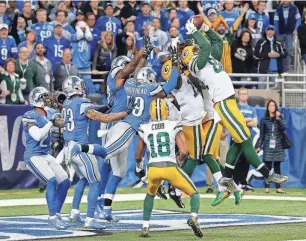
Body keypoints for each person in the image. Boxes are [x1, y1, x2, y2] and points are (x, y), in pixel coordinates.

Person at [181, 18, 288, 194]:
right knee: (245, 139)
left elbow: (216, 42)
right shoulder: (194, 65)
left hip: (229, 101)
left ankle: (227, 177)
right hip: (222, 103)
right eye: (192, 47)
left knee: (240, 140)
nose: (196, 47)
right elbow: (206, 47)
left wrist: (206, 28)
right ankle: (267, 173)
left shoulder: (207, 59)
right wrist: (194, 31)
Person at [68, 42, 155, 222]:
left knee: (119, 170)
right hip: (114, 124)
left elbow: (137, 69)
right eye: (124, 67)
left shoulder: (127, 80)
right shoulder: (116, 77)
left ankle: (106, 207)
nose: (128, 69)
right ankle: (97, 202)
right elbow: (131, 67)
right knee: (105, 163)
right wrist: (139, 52)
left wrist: (145, 53)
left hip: (123, 123)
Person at [62, 76, 133, 230]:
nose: (82, 87)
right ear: (75, 88)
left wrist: (107, 106)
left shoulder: (67, 104)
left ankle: (74, 212)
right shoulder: (82, 103)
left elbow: (90, 113)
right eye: (80, 85)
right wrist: (124, 113)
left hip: (68, 147)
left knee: (82, 179)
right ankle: (89, 219)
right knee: (95, 181)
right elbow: (104, 119)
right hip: (80, 149)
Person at [135, 98, 203, 238]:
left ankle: (145, 226)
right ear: (166, 110)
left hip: (153, 169)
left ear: (151, 112)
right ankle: (193, 217)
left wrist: (139, 166)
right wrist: (179, 161)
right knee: (194, 194)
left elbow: (138, 155)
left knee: (150, 194)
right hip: (170, 167)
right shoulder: (173, 125)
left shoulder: (144, 127)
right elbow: (184, 151)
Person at [22, 86, 70, 229]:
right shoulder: (29, 115)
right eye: (44, 96)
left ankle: (57, 214)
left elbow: (62, 123)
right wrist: (50, 121)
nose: (48, 99)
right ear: (37, 98)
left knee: (65, 181)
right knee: (51, 180)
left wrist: (65, 114)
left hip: (45, 155)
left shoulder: (49, 112)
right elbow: (37, 135)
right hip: (33, 156)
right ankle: (52, 217)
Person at [256, 100, 287, 194]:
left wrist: (278, 119)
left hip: (278, 145)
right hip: (268, 144)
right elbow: (261, 134)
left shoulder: (280, 117)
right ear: (268, 107)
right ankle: (267, 187)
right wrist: (259, 146)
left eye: (273, 105)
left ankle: (278, 188)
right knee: (268, 166)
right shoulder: (264, 119)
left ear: (276, 107)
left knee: (277, 167)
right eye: (270, 105)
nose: (272, 107)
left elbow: (283, 128)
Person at [233, 88, 258, 191]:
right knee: (236, 161)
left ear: (247, 95)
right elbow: (235, 122)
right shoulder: (235, 108)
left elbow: (255, 123)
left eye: (245, 94)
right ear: (238, 95)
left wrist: (242, 121)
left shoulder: (252, 109)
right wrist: (248, 120)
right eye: (242, 94)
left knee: (246, 160)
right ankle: (235, 183)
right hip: (237, 138)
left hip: (248, 138)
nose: (243, 95)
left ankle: (243, 183)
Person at [274, 0, 301, 72]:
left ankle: (287, 69)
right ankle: (281, 68)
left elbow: (298, 20)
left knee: (288, 51)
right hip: (281, 33)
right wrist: (277, 34)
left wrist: (295, 29)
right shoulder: (278, 9)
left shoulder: (294, 8)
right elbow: (275, 22)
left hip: (290, 33)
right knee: (280, 51)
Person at [71, 20, 93, 94]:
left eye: (84, 28)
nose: (83, 29)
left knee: (87, 86)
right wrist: (78, 29)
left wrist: (87, 29)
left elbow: (90, 37)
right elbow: (78, 36)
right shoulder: (73, 36)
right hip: (76, 65)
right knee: (75, 86)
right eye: (81, 28)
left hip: (86, 65)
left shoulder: (89, 37)